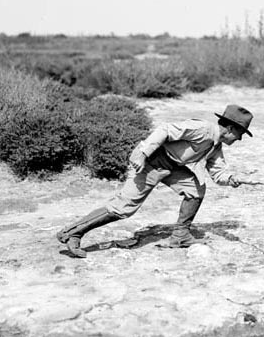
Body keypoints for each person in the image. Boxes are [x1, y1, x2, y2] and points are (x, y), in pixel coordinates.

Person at [56, 104, 253, 257]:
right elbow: (165, 129)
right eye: (240, 133)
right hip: (151, 161)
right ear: (229, 128)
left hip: (172, 167)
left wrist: (231, 179)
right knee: (124, 208)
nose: (240, 139)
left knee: (196, 190)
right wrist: (143, 153)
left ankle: (180, 236)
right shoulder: (201, 129)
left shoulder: (216, 146)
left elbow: (218, 173)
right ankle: (73, 233)